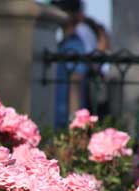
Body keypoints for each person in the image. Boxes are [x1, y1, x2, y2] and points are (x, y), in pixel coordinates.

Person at [52, 0, 94, 129]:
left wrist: (73, 120)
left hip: (63, 118)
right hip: (58, 115)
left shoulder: (74, 45)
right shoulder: (65, 43)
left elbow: (75, 81)